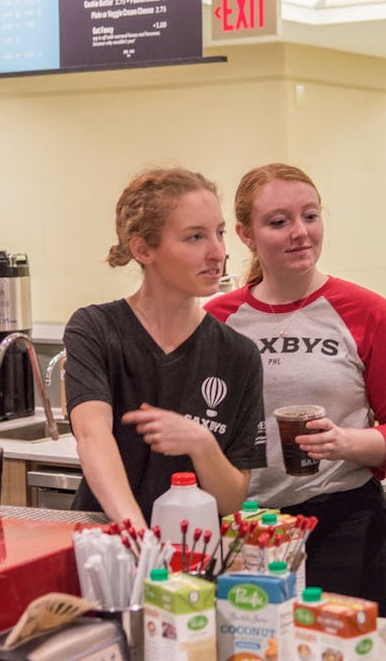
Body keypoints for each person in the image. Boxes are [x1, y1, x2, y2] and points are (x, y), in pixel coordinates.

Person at [205, 163, 386, 616]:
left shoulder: (368, 312)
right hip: (244, 530)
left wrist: (346, 443)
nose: (300, 232)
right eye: (279, 222)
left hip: (343, 525)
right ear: (245, 234)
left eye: (310, 216)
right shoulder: (217, 320)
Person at [64, 168, 267, 529]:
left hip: (193, 558)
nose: (217, 252)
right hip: (107, 544)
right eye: (195, 237)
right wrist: (136, 533)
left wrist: (201, 443)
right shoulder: (96, 329)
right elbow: (92, 436)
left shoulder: (239, 355)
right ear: (143, 248)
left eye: (219, 233)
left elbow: (232, 500)